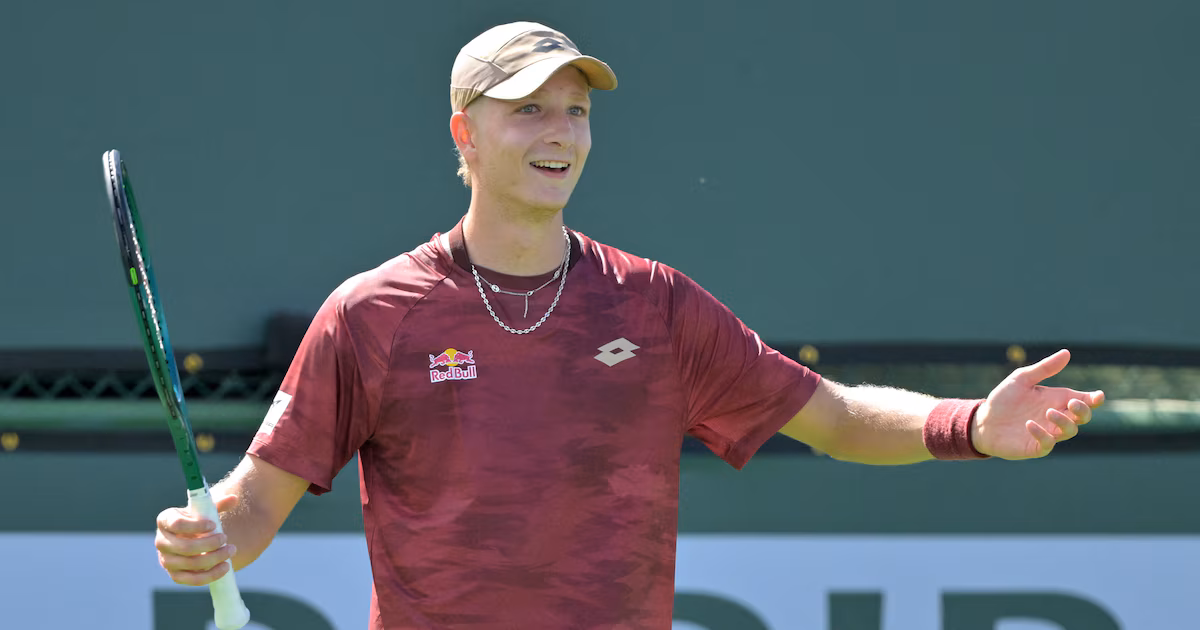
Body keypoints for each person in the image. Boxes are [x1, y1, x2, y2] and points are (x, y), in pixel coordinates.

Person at [154, 21, 1106, 629]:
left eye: (575, 111)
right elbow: (255, 502)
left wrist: (971, 426)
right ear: (465, 135)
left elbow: (839, 418)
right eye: (528, 112)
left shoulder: (654, 304)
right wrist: (213, 538)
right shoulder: (374, 315)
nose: (561, 133)